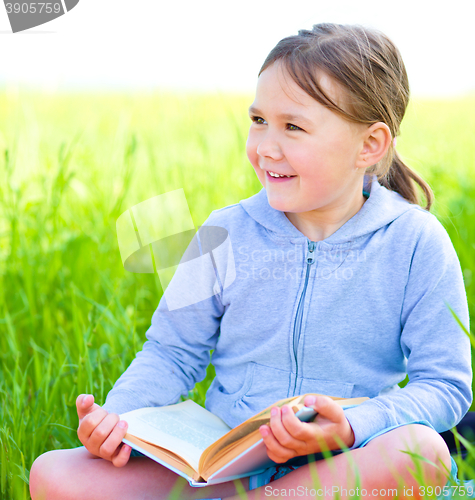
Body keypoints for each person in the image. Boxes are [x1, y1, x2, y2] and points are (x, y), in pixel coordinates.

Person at [29, 22, 473, 500]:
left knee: (422, 451)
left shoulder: (414, 242)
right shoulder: (224, 233)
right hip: (227, 462)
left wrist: (350, 426)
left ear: (369, 145)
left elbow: (444, 384)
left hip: (340, 465)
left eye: (293, 127)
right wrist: (119, 420)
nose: (265, 147)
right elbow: (171, 352)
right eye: (259, 120)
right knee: (53, 473)